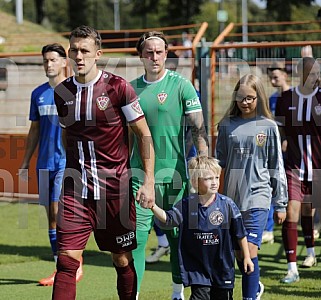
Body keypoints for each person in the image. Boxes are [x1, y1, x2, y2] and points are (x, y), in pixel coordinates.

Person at [52, 25, 155, 300]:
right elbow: (66, 134)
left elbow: (143, 134)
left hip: (115, 191)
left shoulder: (118, 87)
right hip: (76, 190)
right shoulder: (61, 92)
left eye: (84, 50)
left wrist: (148, 180)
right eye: (73, 50)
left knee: (121, 259)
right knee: (66, 261)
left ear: (98, 53)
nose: (79, 56)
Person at [130, 31, 209, 300]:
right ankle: (134, 294)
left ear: (166, 53)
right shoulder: (129, 89)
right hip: (138, 175)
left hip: (174, 175)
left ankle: (177, 291)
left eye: (159, 51)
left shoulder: (182, 85)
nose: (154, 56)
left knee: (176, 237)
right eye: (149, 52)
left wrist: (203, 162)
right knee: (137, 238)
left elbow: (198, 127)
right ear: (141, 55)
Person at [215, 74, 288, 300]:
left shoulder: (268, 127)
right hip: (232, 199)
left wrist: (281, 203)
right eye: (241, 97)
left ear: (259, 97)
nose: (245, 102)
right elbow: (219, 162)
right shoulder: (226, 125)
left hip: (258, 197)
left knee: (251, 250)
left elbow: (277, 165)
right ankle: (255, 287)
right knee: (239, 252)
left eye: (250, 98)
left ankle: (249, 297)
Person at [144, 156, 254, 300]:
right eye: (208, 178)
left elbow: (240, 233)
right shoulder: (186, 205)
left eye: (216, 177)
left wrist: (246, 257)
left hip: (223, 268)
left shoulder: (227, 205)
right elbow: (169, 219)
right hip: (198, 269)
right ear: (196, 182)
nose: (214, 182)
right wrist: (153, 206)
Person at [18, 43, 83, 286]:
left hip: (67, 163)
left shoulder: (75, 91)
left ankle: (67, 267)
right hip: (44, 162)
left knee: (59, 212)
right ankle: (63, 265)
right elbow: (34, 130)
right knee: (51, 217)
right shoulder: (38, 94)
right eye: (45, 60)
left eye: (53, 59)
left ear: (65, 62)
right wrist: (25, 161)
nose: (48, 64)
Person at [275, 56, 321, 284]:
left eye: (317, 73)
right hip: (293, 166)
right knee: (292, 212)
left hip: (318, 169)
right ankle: (292, 267)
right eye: (310, 73)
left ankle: (311, 252)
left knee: (308, 213)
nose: (315, 77)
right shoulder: (286, 98)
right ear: (300, 74)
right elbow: (281, 132)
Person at [261, 62, 291, 244]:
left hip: (295, 150)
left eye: (276, 77)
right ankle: (269, 229)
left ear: (285, 76)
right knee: (272, 185)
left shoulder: (295, 96)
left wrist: (288, 140)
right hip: (276, 150)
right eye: (271, 77)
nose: (273, 80)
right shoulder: (272, 99)